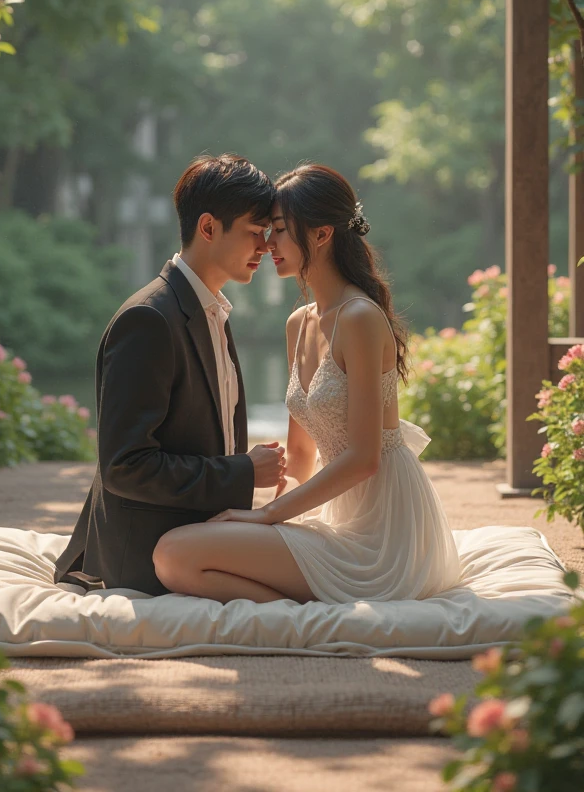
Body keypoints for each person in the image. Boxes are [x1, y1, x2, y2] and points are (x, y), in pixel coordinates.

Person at [151, 163, 462, 604]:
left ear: (321, 234)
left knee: (175, 554)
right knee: (176, 555)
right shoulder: (299, 323)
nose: (265, 242)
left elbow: (363, 459)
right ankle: (295, 604)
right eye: (263, 231)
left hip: (383, 534)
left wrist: (268, 519)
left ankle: (298, 607)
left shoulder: (359, 318)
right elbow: (300, 455)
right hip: (337, 519)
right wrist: (262, 516)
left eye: (277, 230)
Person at [54, 153, 287, 595]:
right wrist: (241, 473)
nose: (265, 247)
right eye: (255, 233)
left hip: (201, 531)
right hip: (148, 556)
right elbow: (124, 466)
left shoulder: (210, 309)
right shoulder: (149, 320)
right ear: (208, 228)